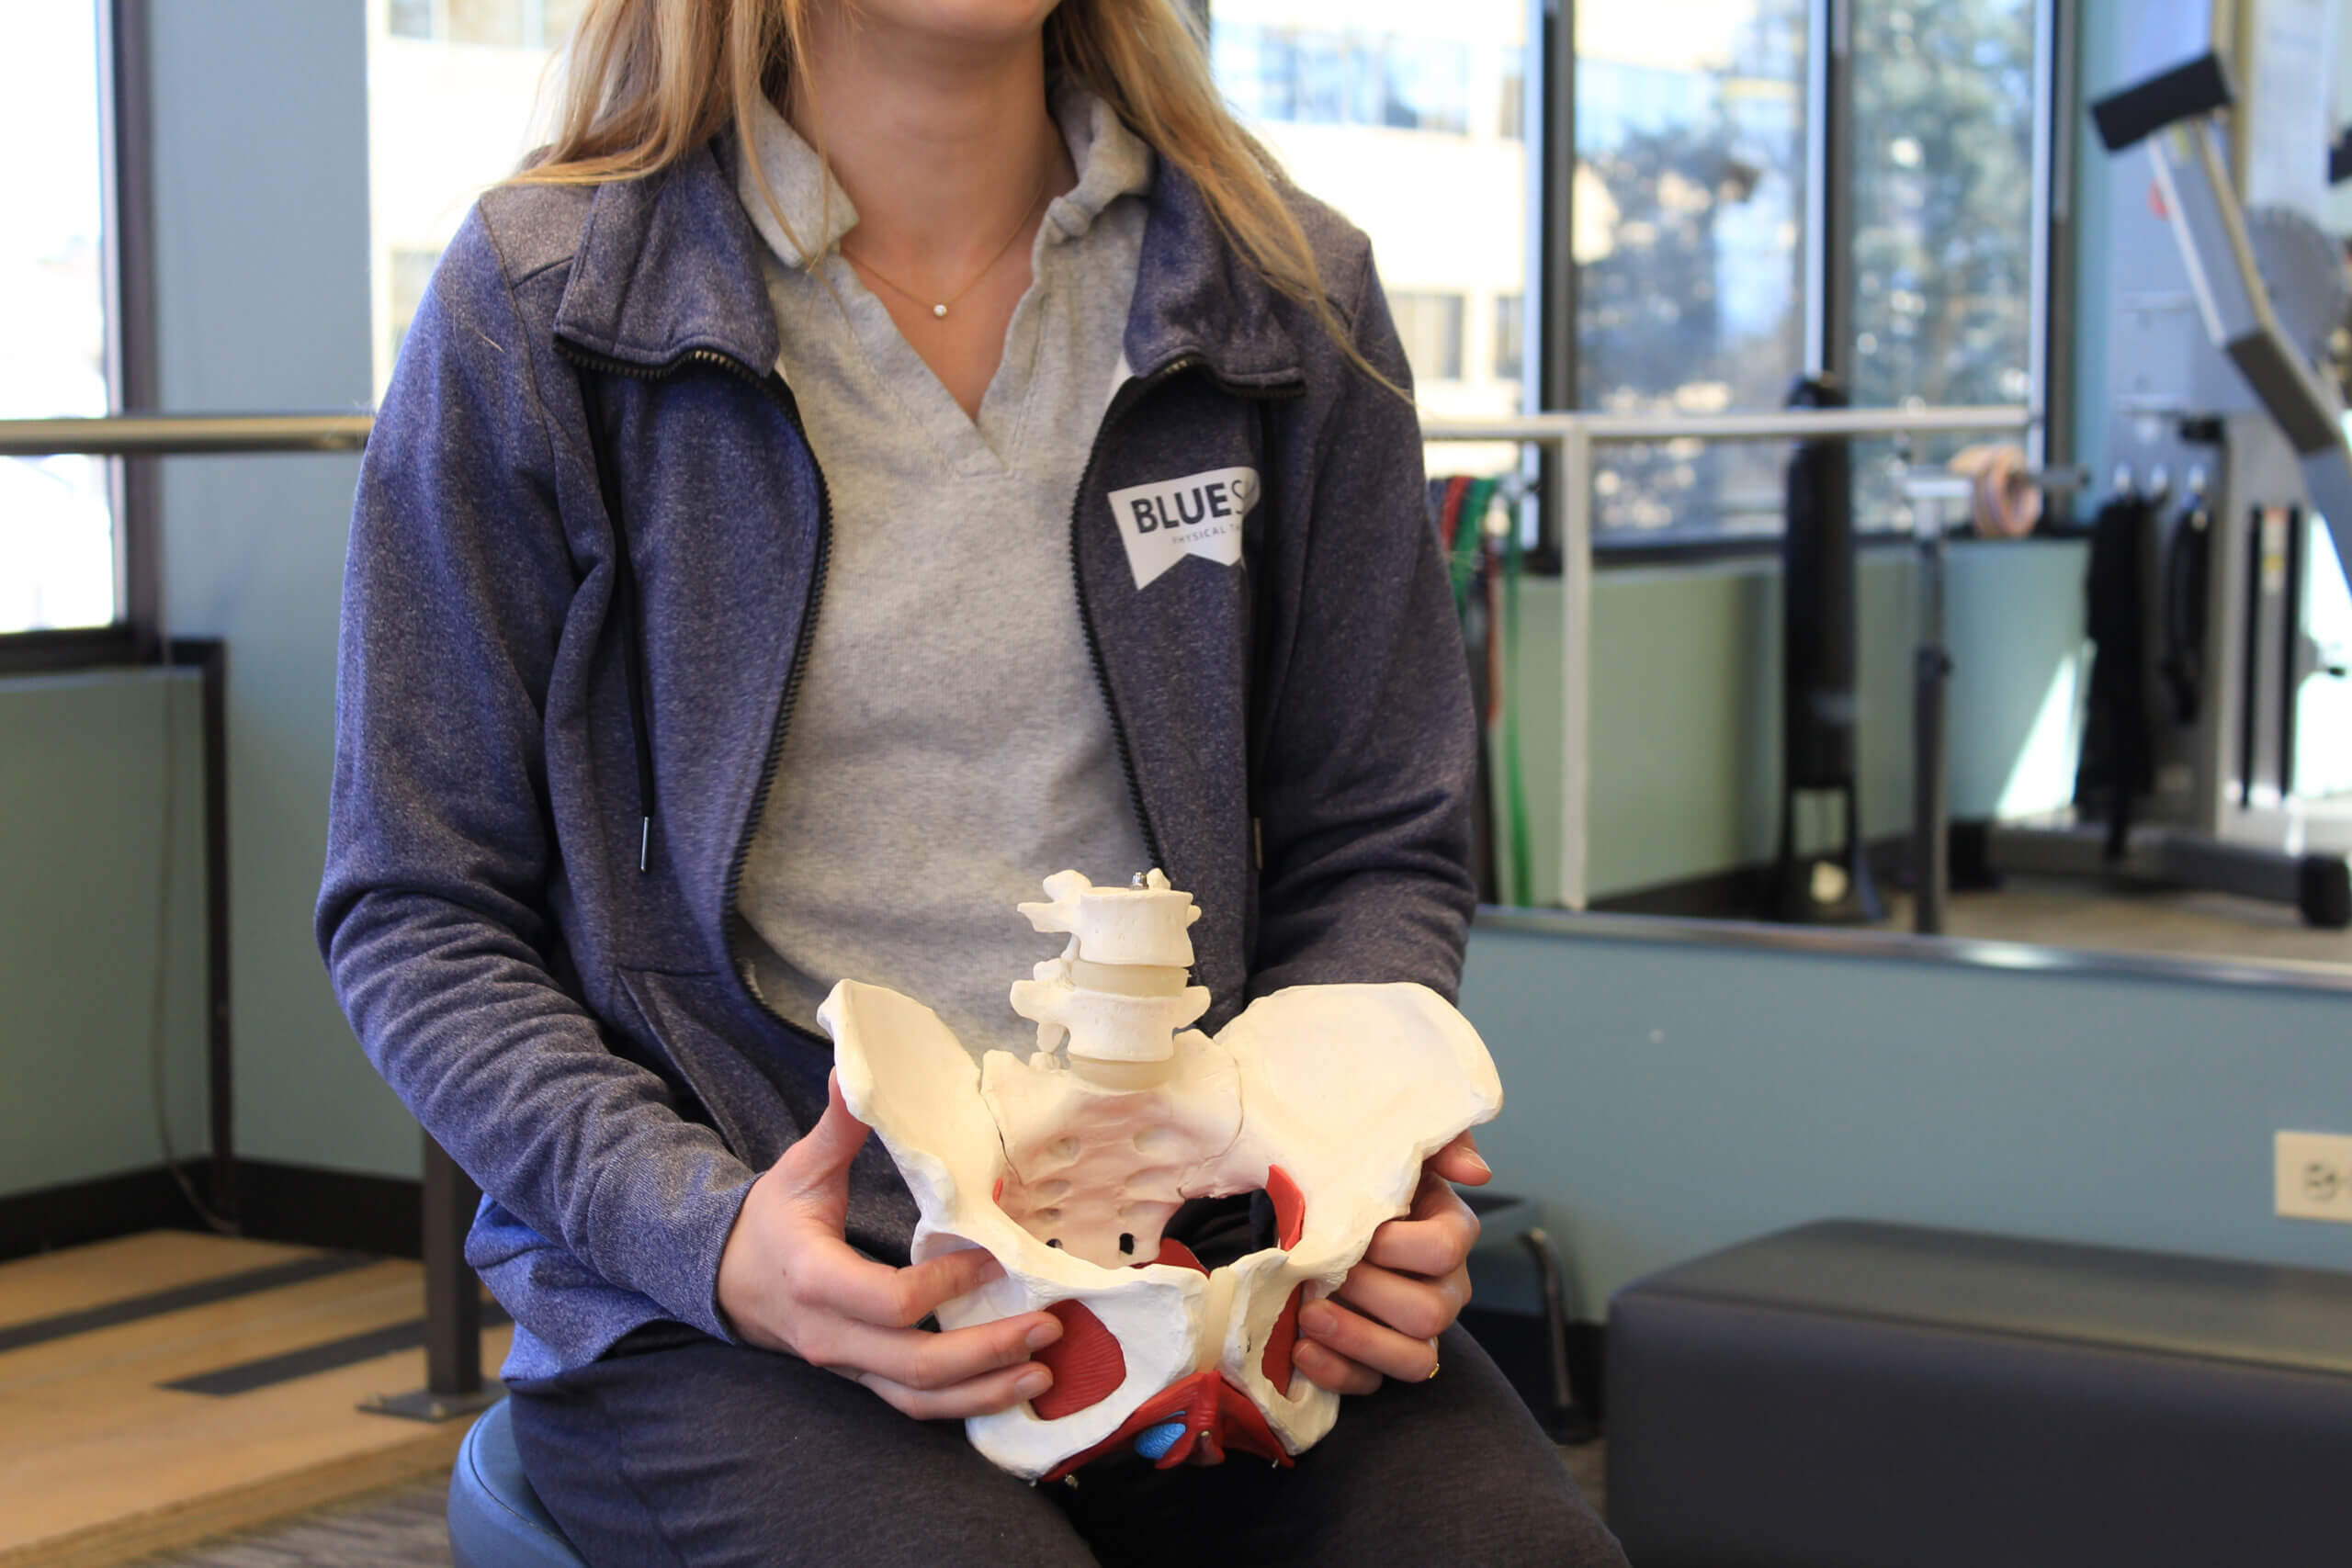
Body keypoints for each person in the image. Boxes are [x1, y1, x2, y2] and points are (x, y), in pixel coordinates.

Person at [318, 0, 1626, 1562]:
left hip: (1216, 1263)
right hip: (746, 1286)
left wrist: (1348, 1164)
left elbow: (1378, 841)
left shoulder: (1284, 292)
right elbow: (419, 909)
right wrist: (710, 1239)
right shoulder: (542, 307)